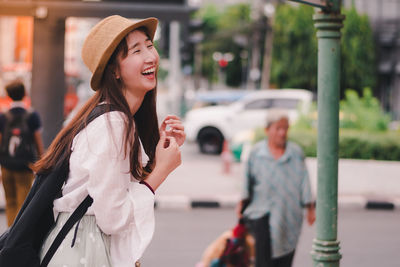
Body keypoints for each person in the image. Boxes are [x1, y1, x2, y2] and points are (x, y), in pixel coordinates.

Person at [35, 15, 185, 267]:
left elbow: (117, 191)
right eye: (136, 50)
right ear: (114, 70)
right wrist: (161, 171)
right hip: (83, 250)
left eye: (149, 45)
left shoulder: (115, 119)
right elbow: (113, 218)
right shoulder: (114, 124)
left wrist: (160, 150)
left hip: (81, 245)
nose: (150, 56)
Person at [236, 109, 315, 267]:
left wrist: (310, 207)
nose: (282, 133)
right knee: (263, 261)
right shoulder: (257, 152)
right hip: (261, 212)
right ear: (267, 130)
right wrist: (241, 203)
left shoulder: (295, 153)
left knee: (285, 259)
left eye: (285, 128)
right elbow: (246, 181)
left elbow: (304, 181)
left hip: (289, 214)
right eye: (278, 128)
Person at [0, 80, 44, 226]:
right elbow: (37, 142)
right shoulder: (32, 116)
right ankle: (16, 237)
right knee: (22, 203)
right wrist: (41, 161)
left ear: (9, 95)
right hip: (25, 166)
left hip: (6, 165)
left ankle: (8, 236)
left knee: (10, 202)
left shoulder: (3, 117)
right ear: (24, 93)